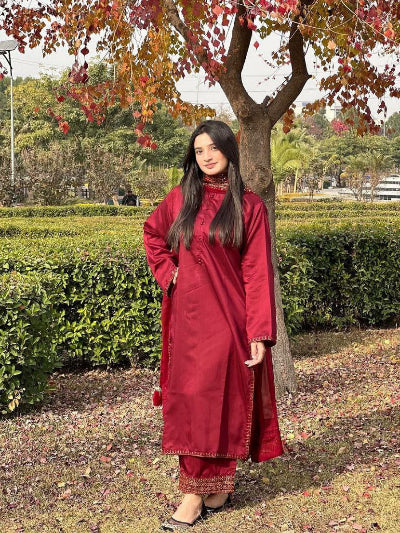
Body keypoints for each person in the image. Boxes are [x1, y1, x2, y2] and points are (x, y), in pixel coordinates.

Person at [143, 120, 283, 530]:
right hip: (187, 320)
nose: (206, 156)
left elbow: (257, 272)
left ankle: (198, 495)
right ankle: (205, 491)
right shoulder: (182, 196)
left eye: (213, 147)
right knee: (190, 402)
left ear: (228, 150)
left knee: (219, 401)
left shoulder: (249, 206)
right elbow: (153, 234)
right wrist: (170, 273)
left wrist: (258, 332)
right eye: (199, 149)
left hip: (228, 320)